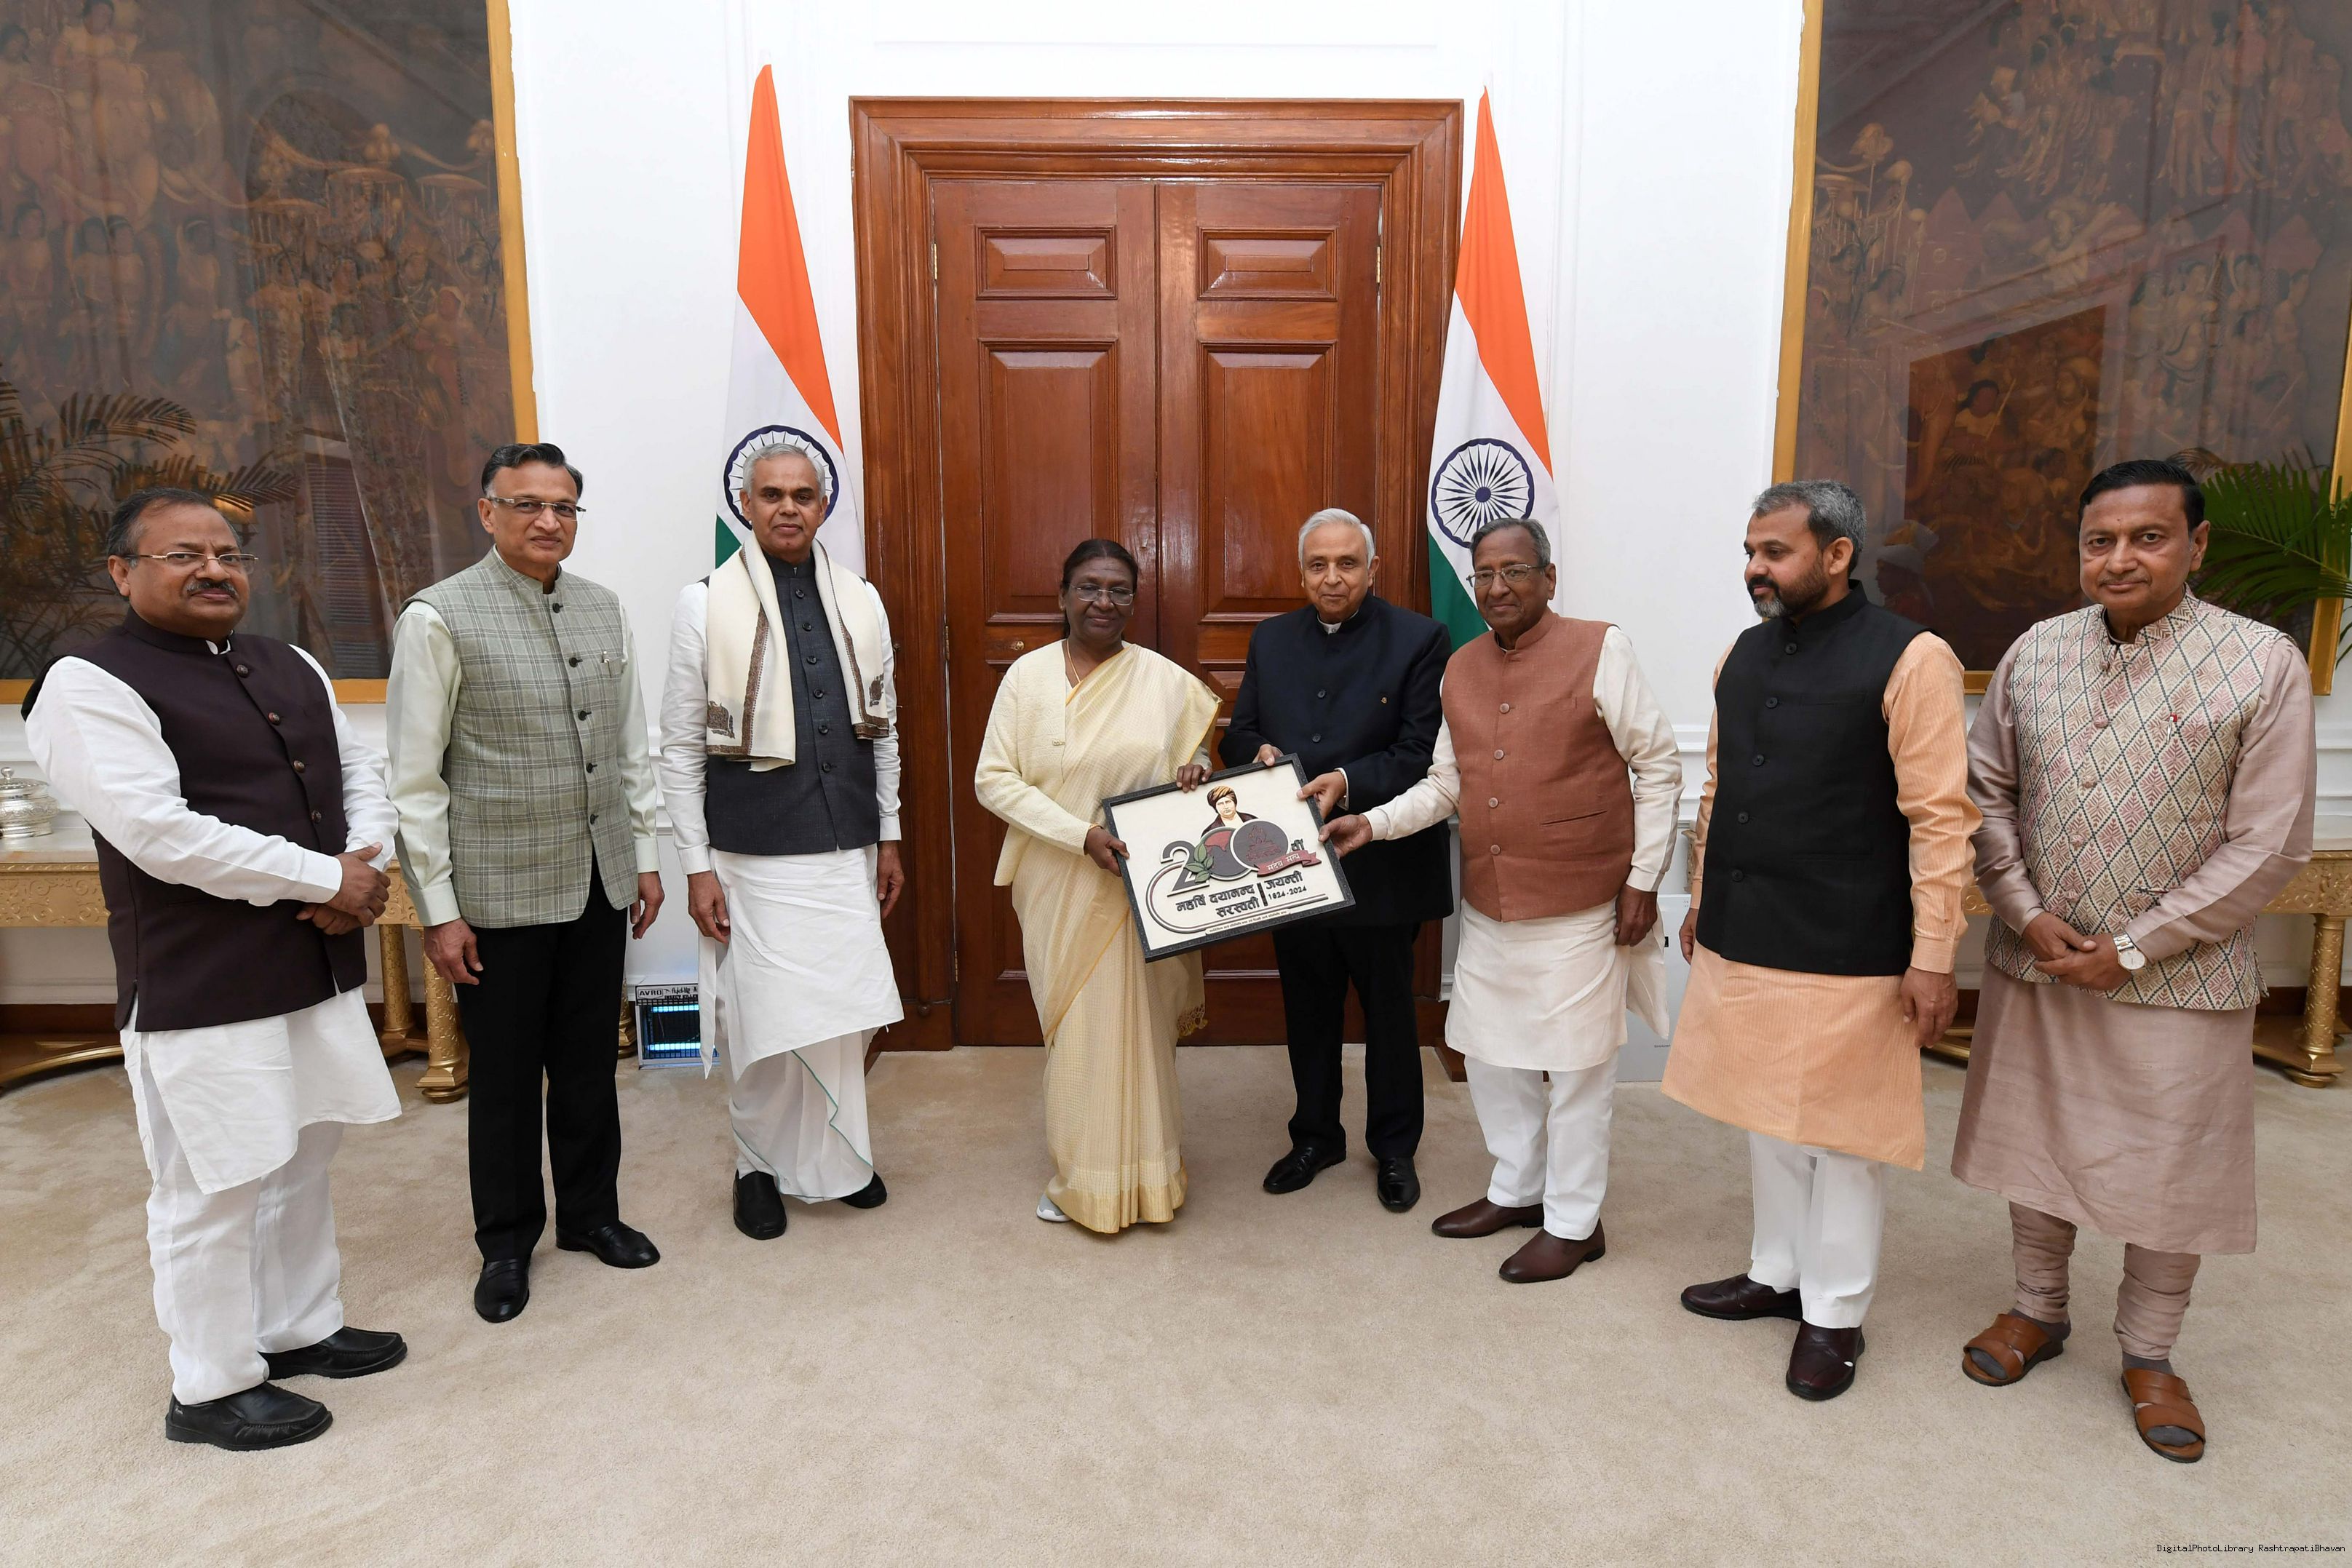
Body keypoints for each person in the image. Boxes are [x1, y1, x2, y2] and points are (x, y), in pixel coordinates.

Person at [24, 487, 405, 1450]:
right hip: (204, 981)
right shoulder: (86, 682)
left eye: (228, 554)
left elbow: (360, 772)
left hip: (312, 962)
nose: (213, 569)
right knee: (212, 1183)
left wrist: (362, 864)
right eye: (183, 554)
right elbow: (160, 833)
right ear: (123, 572)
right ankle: (210, 1384)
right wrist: (326, 877)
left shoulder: (289, 661)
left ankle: (298, 1325)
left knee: (305, 1154)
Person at [1953, 458, 2315, 1464]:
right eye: (2098, 540)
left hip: (2178, 976)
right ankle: (2037, 1307)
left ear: (2196, 545)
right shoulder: (2035, 650)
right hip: (2040, 957)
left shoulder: (2261, 663)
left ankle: (2150, 1352)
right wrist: (2025, 913)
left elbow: (2270, 841)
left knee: (2170, 1168)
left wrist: (2135, 944)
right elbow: (1987, 794)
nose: (2119, 558)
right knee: (2039, 1141)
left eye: (2147, 537)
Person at [1664, 479, 1976, 1401]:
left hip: (1849, 938)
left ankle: (1834, 1313)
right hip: (1744, 926)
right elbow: (1719, 785)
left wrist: (1933, 957)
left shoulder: (1912, 656)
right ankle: (1777, 1272)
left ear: (1837, 555)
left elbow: (1939, 818)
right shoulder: (1741, 653)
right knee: (1765, 1112)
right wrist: (1700, 896)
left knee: (1843, 1135)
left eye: (1775, 552)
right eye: (1749, 552)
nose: (1754, 569)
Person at [1323, 517, 1680, 1280]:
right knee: (1490, 1054)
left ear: (1548, 577)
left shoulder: (1601, 647)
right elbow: (1445, 784)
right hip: (1491, 900)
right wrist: (1372, 824)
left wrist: (1645, 879)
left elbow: (1657, 765)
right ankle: (1517, 1190)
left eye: (1514, 571)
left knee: (1577, 1067)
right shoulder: (1460, 666)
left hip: (1583, 900)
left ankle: (1575, 1222)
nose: (1497, 587)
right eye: (1484, 574)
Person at [386, 442, 665, 1324]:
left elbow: (629, 745)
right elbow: (415, 782)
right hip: (496, 893)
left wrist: (644, 854)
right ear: (487, 512)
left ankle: (590, 1215)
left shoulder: (604, 607)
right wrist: (439, 910)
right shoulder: (438, 616)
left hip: (598, 880)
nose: (548, 520)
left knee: (588, 1064)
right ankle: (505, 1243)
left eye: (564, 507)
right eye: (527, 504)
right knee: (505, 1078)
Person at [658, 434, 904, 1240]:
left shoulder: (861, 599)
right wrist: (695, 867)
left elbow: (885, 731)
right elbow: (680, 745)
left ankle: (837, 1158)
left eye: (803, 495)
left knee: (841, 1013)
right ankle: (756, 1165)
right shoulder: (703, 603)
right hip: (751, 852)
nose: (788, 508)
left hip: (845, 845)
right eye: (772, 495)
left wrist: (890, 835)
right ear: (746, 504)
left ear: (823, 506)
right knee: (763, 1018)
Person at [974, 538, 1220, 1233]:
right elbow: (993, 779)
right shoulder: (1025, 678)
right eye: (1088, 587)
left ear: (1134, 601)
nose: (1103, 601)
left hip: (1142, 886)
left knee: (1141, 1032)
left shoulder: (1164, 681)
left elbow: (1195, 753)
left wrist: (1199, 766)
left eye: (1118, 590)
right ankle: (1083, 1181)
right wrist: (1078, 834)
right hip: (1060, 878)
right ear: (1062, 596)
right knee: (1079, 1032)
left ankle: (1152, 1176)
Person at [1220, 508, 1451, 1212]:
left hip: (1382, 857)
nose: (1332, 577)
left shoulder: (1420, 638)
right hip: (1289, 865)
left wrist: (1347, 781)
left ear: (1372, 570)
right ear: (1301, 573)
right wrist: (1255, 752)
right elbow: (1239, 732)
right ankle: (1315, 1137)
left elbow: (1420, 751)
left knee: (1389, 1016)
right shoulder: (1271, 638)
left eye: (1347, 563)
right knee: (1309, 1009)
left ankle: (1394, 1148)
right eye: (1318, 564)